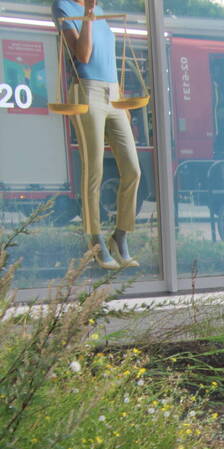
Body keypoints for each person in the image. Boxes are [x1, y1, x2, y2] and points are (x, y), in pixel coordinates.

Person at [52, 0, 141, 269]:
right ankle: (95, 239)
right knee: (94, 170)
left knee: (133, 170)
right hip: (87, 91)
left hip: (113, 93)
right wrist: (88, 14)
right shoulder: (63, 6)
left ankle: (120, 236)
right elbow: (83, 55)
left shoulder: (99, 9)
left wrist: (121, 99)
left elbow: (108, 59)